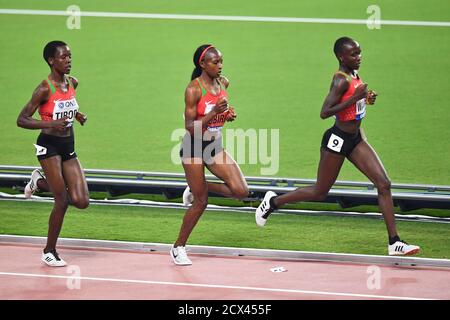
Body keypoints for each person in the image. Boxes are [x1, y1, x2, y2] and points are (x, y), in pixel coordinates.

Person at [255, 37, 420, 256]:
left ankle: (394, 242)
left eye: (359, 53)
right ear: (341, 57)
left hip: (356, 139)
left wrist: (365, 99)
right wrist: (355, 98)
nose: (358, 57)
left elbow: (354, 101)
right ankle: (274, 201)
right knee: (320, 192)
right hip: (338, 139)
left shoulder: (353, 74)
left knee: (384, 184)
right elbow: (325, 112)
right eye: (353, 54)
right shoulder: (340, 79)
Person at [171, 44, 249, 265]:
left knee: (241, 190)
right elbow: (189, 127)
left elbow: (219, 112)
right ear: (202, 64)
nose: (220, 66)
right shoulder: (193, 90)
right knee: (201, 202)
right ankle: (178, 247)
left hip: (214, 146)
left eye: (221, 61)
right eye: (215, 62)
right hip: (194, 147)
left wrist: (227, 114)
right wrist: (215, 112)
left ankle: (195, 188)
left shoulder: (223, 83)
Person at [17, 40, 89, 267]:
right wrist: (49, 125)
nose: (68, 60)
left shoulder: (72, 82)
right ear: (51, 60)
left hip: (68, 144)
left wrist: (77, 115)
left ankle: (38, 182)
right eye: (63, 57)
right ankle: (49, 251)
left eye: (70, 56)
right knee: (62, 200)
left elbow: (67, 104)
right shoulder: (44, 88)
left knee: (81, 200)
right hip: (49, 146)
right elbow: (22, 119)